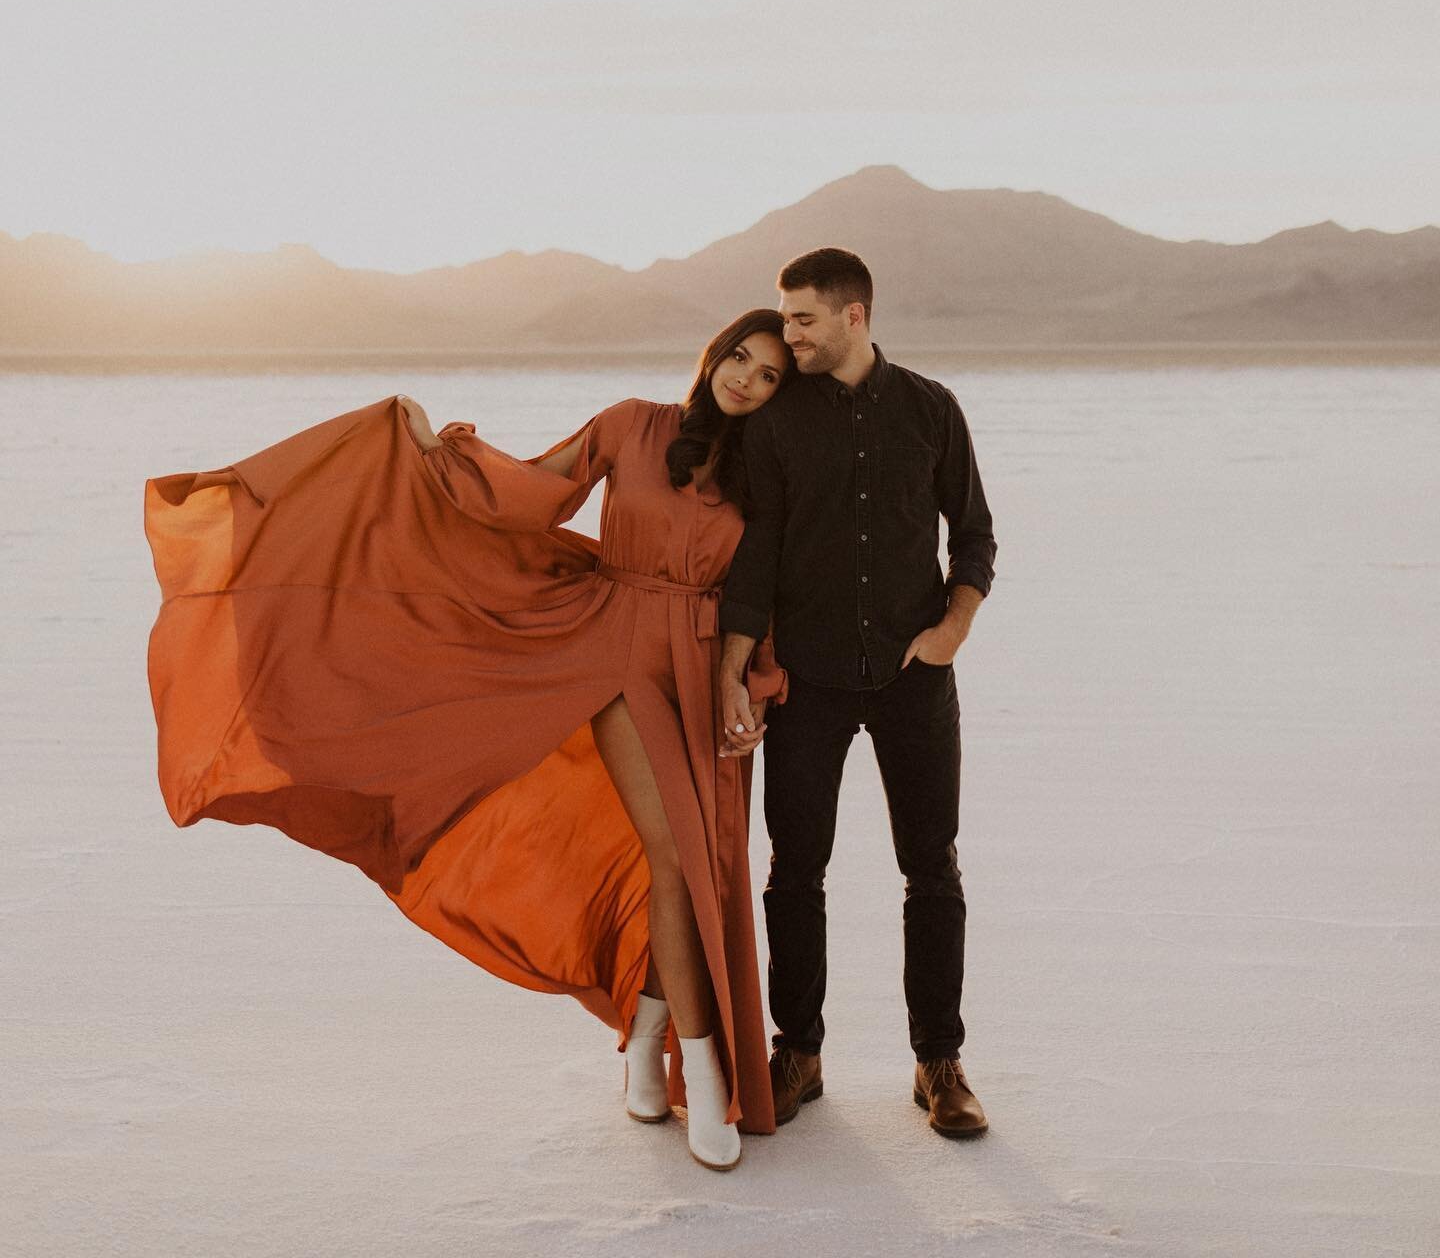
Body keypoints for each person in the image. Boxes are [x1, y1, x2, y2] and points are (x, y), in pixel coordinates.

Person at [143, 310, 792, 1171]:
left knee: (701, 869)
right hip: (614, 651)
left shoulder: (769, 473)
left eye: (770, 374)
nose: (745, 377)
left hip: (704, 670)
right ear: (715, 354)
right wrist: (432, 452)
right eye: (740, 357)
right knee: (674, 855)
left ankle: (644, 1041)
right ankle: (704, 1073)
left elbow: (766, 590)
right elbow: (535, 490)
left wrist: (753, 686)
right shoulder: (631, 424)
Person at [716, 249, 997, 1139]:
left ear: (853, 316)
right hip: (811, 681)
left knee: (932, 869)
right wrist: (738, 666)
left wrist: (954, 626)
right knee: (794, 872)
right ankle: (798, 1051)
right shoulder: (774, 424)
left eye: (801, 319)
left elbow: (976, 535)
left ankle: (938, 1062)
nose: (787, 334)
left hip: (917, 678)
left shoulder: (931, 409)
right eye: (785, 318)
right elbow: (757, 552)